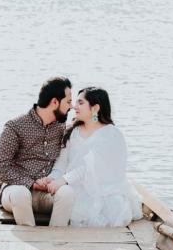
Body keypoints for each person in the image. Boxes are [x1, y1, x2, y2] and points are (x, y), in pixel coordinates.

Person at [45, 87, 143, 228]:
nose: (74, 107)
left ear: (95, 108)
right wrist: (52, 178)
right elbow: (62, 162)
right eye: (75, 102)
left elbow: (89, 167)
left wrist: (63, 180)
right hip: (72, 185)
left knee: (96, 209)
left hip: (101, 190)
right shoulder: (72, 131)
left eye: (80, 103)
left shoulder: (111, 134)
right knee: (66, 197)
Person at [0, 77, 76, 226]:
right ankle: (28, 238)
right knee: (21, 194)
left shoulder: (61, 128)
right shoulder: (15, 127)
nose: (72, 106)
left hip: (47, 193)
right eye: (68, 102)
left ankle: (56, 236)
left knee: (67, 193)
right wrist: (32, 184)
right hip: (15, 191)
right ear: (54, 102)